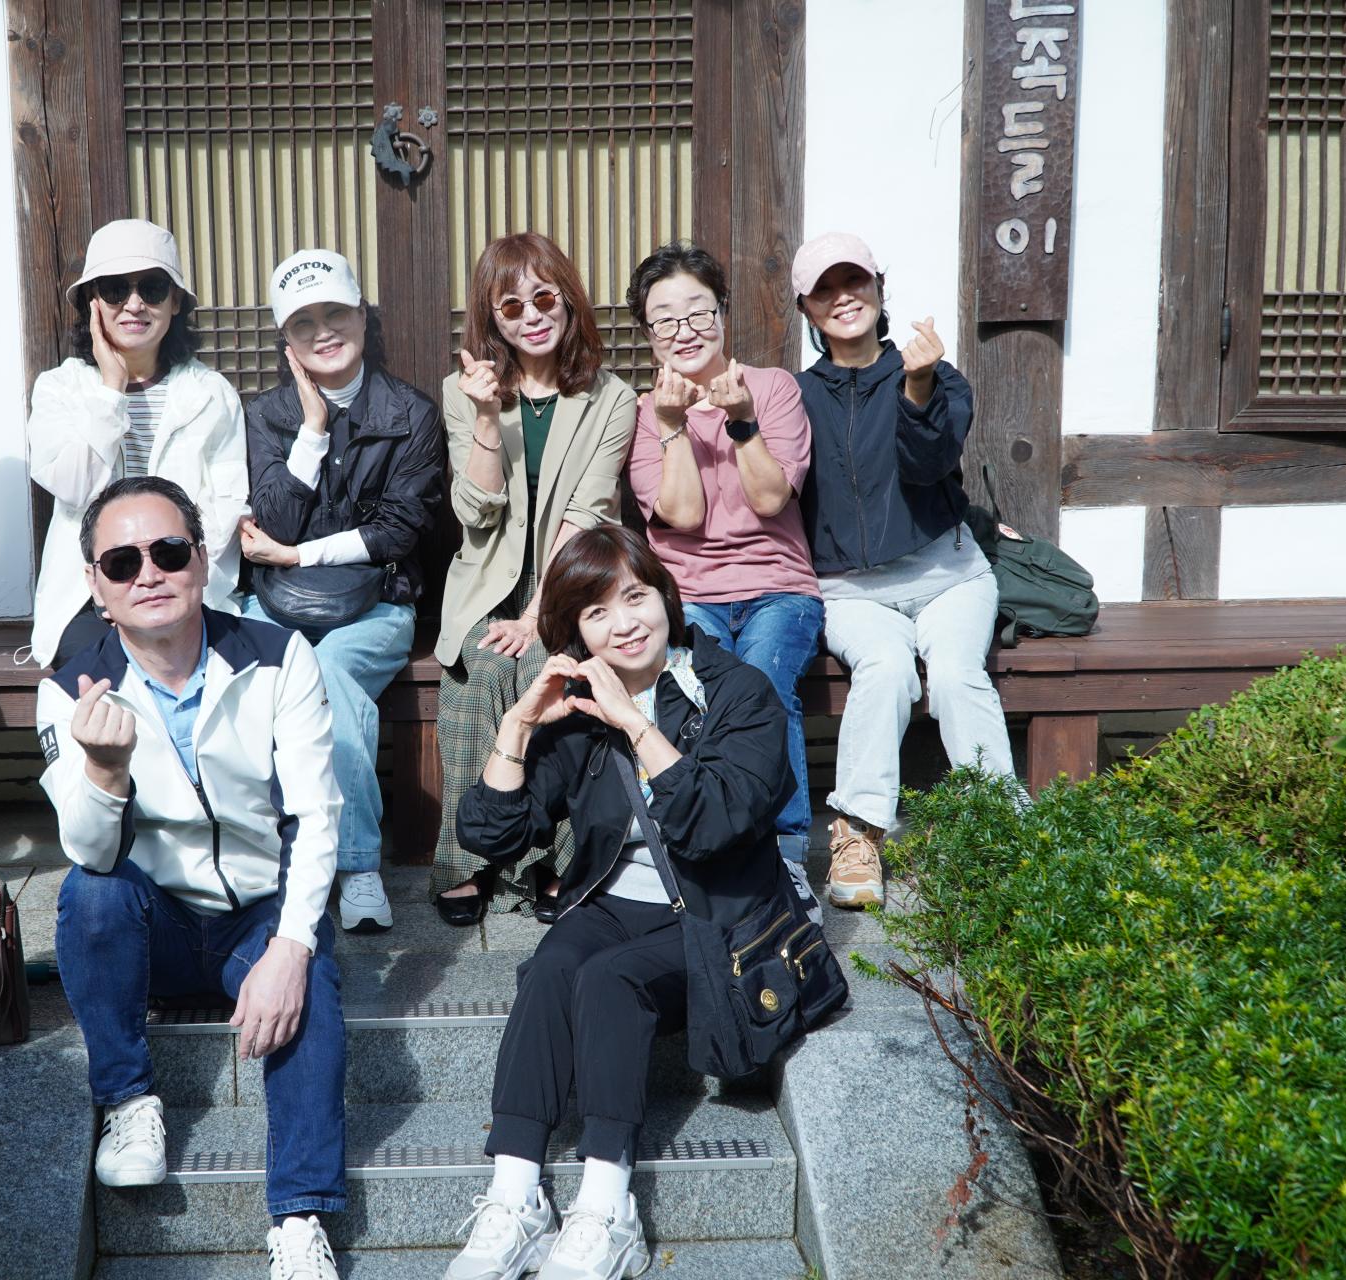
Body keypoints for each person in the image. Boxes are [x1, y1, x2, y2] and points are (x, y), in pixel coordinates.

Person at [443, 526, 791, 1280]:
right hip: (616, 906)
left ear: (665, 596)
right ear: (576, 633)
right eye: (597, 613)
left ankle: (607, 1209)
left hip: (717, 916)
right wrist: (518, 726)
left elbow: (716, 823)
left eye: (635, 598)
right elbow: (492, 834)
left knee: (607, 979)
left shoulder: (738, 693)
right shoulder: (577, 713)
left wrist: (634, 722)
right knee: (550, 968)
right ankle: (515, 1199)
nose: (624, 624)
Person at [39, 476, 346, 1280]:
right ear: (96, 585)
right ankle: (129, 1100)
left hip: (258, 912)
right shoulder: (69, 688)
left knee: (311, 982)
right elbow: (89, 849)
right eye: (122, 562)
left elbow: (316, 815)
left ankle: (300, 1217)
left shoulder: (278, 655)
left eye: (169, 552)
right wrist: (106, 772)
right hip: (160, 924)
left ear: (203, 562)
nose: (149, 573)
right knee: (90, 893)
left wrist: (290, 949)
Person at [791, 232, 1015, 909]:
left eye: (854, 281)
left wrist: (916, 387)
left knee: (954, 675)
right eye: (825, 290)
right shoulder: (796, 396)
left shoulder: (938, 377)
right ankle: (858, 835)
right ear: (806, 309)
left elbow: (928, 466)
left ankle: (999, 833)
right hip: (850, 591)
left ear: (879, 288)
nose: (843, 298)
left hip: (948, 577)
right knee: (885, 669)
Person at [237, 249, 444, 934]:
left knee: (327, 673)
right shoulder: (264, 416)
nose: (323, 331)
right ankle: (266, 859)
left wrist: (298, 554)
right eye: (304, 323)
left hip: (379, 602)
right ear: (286, 341)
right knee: (249, 678)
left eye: (336, 313)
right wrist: (312, 431)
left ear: (363, 317)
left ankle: (355, 866)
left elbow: (398, 532)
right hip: (277, 602)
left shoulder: (411, 413)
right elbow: (272, 520)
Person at [434, 232, 638, 926]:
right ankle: (465, 860)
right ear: (491, 318)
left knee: (550, 679)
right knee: (478, 681)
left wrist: (536, 615)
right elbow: (475, 512)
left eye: (544, 298)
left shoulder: (612, 398)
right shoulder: (463, 393)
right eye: (512, 306)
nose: (532, 316)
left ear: (568, 300)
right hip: (486, 588)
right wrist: (486, 415)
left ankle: (549, 863)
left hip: (570, 586)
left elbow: (586, 514)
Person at [624, 241, 823, 916]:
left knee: (763, 683)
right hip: (688, 591)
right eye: (664, 319)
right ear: (647, 332)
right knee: (694, 690)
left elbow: (770, 500)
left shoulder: (773, 388)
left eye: (698, 312)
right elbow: (682, 515)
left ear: (722, 314)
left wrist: (740, 422)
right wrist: (672, 424)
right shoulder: (643, 411)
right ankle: (698, 844)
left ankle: (786, 853)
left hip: (779, 586)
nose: (684, 331)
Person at [27, 218, 249, 669]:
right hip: (89, 597)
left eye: (151, 288)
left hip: (183, 590)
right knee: (107, 674)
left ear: (175, 302)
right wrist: (112, 389)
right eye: (114, 289)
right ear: (92, 302)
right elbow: (74, 486)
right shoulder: (60, 388)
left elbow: (226, 509)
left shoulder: (211, 392)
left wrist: (166, 584)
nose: (134, 304)